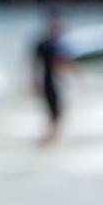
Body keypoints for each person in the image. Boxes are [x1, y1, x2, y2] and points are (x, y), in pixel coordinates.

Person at [32, 10, 76, 144]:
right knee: (54, 114)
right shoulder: (47, 44)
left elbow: (62, 64)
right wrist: (34, 82)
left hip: (55, 83)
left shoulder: (56, 44)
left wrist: (70, 79)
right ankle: (47, 140)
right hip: (49, 83)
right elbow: (35, 64)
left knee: (56, 114)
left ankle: (50, 139)